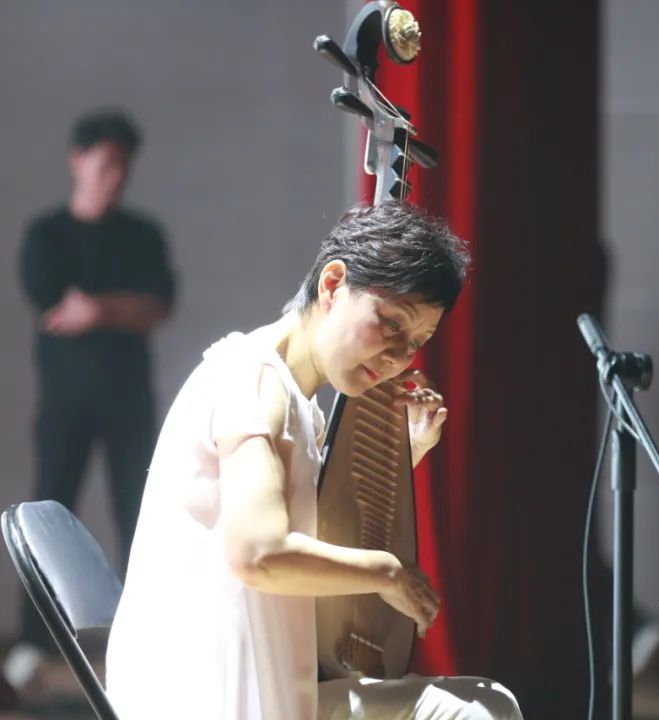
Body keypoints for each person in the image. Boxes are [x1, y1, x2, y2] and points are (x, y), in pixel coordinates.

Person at [105, 201, 521, 719]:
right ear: (332, 284)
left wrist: (408, 453)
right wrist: (388, 573)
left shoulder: (294, 399)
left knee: (487, 702)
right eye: (391, 324)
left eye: (417, 341)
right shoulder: (251, 382)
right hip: (205, 701)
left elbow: (307, 534)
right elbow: (259, 553)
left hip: (266, 692)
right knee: (474, 714)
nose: (399, 357)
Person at [6, 109, 176, 693]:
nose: (116, 177)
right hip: (65, 402)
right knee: (47, 516)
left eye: (124, 167)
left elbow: (158, 305)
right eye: (107, 164)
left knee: (142, 516)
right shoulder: (46, 235)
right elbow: (52, 305)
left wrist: (98, 308)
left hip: (129, 401)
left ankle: (146, 640)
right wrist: (124, 307)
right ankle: (32, 645)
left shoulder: (142, 234)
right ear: (77, 161)